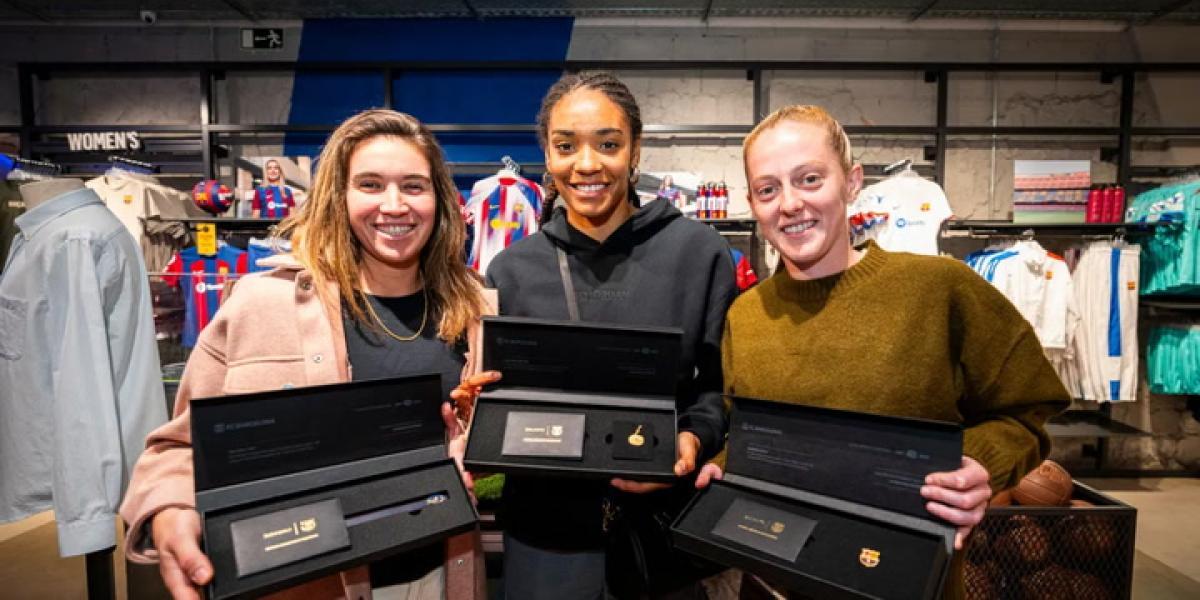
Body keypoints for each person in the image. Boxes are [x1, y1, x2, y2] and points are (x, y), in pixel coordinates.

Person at [694, 105, 1070, 599]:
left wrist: (980, 463)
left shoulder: (939, 289)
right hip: (774, 580)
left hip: (905, 581)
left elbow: (1028, 409)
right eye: (768, 189)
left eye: (809, 179)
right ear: (753, 203)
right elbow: (750, 430)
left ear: (852, 183)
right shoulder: (747, 315)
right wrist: (726, 463)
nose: (790, 203)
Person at [119, 109, 492, 600]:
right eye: (370, 184)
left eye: (414, 186)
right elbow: (180, 448)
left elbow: (498, 451)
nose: (394, 204)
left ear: (439, 200)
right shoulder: (260, 304)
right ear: (339, 196)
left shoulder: (476, 308)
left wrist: (475, 464)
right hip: (308, 582)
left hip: (440, 573)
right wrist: (171, 511)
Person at [481, 71, 738, 599]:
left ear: (635, 149)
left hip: (661, 537)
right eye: (565, 146)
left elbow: (717, 388)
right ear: (547, 155)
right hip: (544, 539)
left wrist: (691, 439)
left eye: (607, 144)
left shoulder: (699, 254)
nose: (586, 164)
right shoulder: (511, 271)